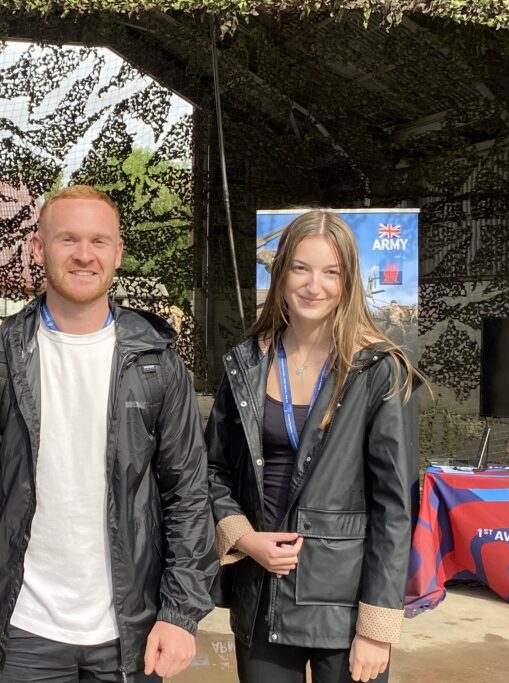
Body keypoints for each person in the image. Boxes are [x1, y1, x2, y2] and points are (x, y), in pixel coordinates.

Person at [0, 185, 216, 682]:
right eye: (67, 240)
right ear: (39, 249)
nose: (84, 254)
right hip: (24, 629)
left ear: (118, 252)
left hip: (132, 628)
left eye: (99, 241)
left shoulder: (156, 363)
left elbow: (187, 494)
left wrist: (181, 612)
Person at [205, 210, 422, 683]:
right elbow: (213, 471)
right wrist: (244, 538)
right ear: (281, 273)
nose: (313, 285)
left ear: (349, 282)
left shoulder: (379, 370)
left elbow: (395, 506)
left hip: (342, 611)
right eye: (301, 268)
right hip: (262, 596)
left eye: (331, 272)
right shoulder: (245, 363)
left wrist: (377, 628)